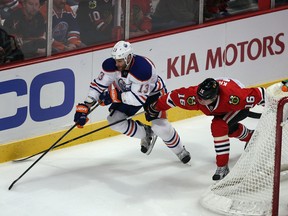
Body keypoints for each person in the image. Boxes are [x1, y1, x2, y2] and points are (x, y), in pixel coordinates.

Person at [74, 40, 191, 164]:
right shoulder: (110, 65)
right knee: (114, 121)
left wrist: (113, 96)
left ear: (129, 57)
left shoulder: (143, 69)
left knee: (160, 128)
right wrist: (86, 105)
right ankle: (145, 133)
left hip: (153, 94)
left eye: (120, 60)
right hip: (126, 93)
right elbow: (98, 85)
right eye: (115, 60)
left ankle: (180, 151)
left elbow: (137, 100)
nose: (117, 63)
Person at [145, 77, 265, 180]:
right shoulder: (194, 96)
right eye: (198, 96)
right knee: (229, 129)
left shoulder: (235, 97)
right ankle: (251, 136)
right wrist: (154, 108)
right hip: (223, 106)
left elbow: (261, 94)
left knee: (219, 126)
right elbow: (171, 98)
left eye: (203, 99)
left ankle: (222, 167)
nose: (198, 100)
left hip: (236, 107)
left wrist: (278, 108)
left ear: (213, 98)